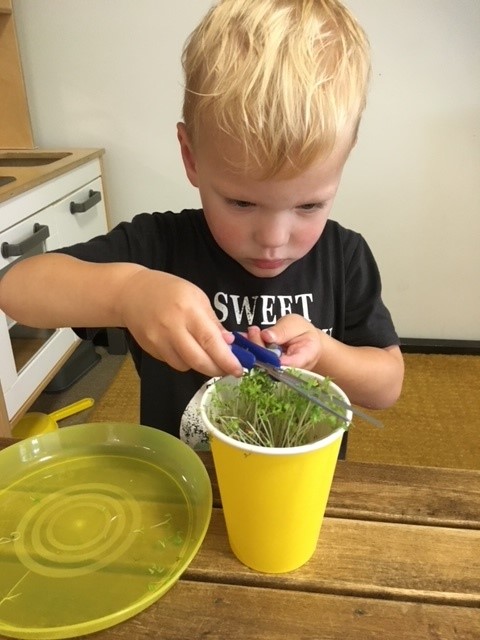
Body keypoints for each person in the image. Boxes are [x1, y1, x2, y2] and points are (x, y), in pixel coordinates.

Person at [0, 0, 404, 455]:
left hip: (304, 485)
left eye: (309, 205)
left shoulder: (345, 257)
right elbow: (16, 288)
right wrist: (127, 293)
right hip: (184, 479)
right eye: (241, 202)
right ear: (191, 158)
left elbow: (387, 385)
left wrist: (326, 353)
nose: (273, 240)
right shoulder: (158, 247)